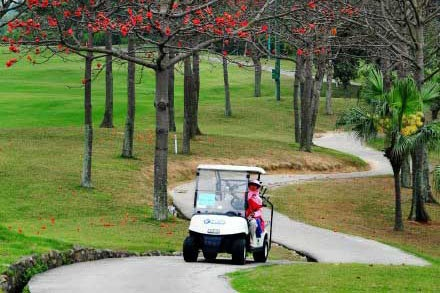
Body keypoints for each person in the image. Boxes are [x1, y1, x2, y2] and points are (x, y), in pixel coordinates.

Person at [246, 179, 265, 247]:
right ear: (249, 186)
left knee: (253, 223)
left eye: (255, 185)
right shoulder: (245, 195)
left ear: (257, 187)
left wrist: (254, 214)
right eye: (251, 185)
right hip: (241, 214)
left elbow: (260, 210)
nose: (253, 187)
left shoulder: (258, 199)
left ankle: (251, 241)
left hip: (251, 216)